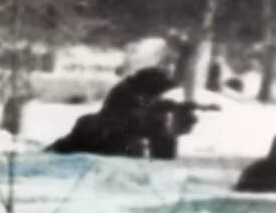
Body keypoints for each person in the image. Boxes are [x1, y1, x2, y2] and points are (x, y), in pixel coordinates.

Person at [48, 66, 198, 160]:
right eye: (154, 95)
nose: (156, 98)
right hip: (99, 151)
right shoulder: (122, 107)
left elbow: (163, 161)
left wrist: (174, 129)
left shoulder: (148, 107)